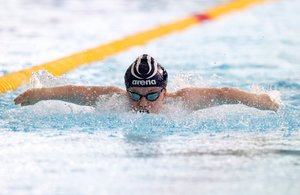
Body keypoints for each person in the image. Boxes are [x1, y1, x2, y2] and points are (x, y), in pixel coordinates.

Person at [14, 54, 279, 113]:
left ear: (165, 92)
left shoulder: (181, 101)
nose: (142, 103)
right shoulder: (113, 99)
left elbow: (223, 94)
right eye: (135, 95)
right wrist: (42, 93)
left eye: (152, 96)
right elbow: (75, 92)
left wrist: (259, 100)